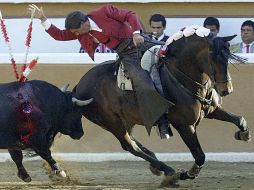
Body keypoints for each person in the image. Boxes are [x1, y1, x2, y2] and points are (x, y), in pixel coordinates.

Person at [28, 4, 172, 139]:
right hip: (128, 55)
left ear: (84, 23)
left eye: (77, 31)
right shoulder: (80, 32)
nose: (76, 34)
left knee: (174, 52)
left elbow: (130, 15)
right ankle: (162, 121)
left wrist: (136, 33)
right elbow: (59, 35)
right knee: (142, 82)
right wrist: (43, 19)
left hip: (140, 41)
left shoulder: (104, 11)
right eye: (74, 33)